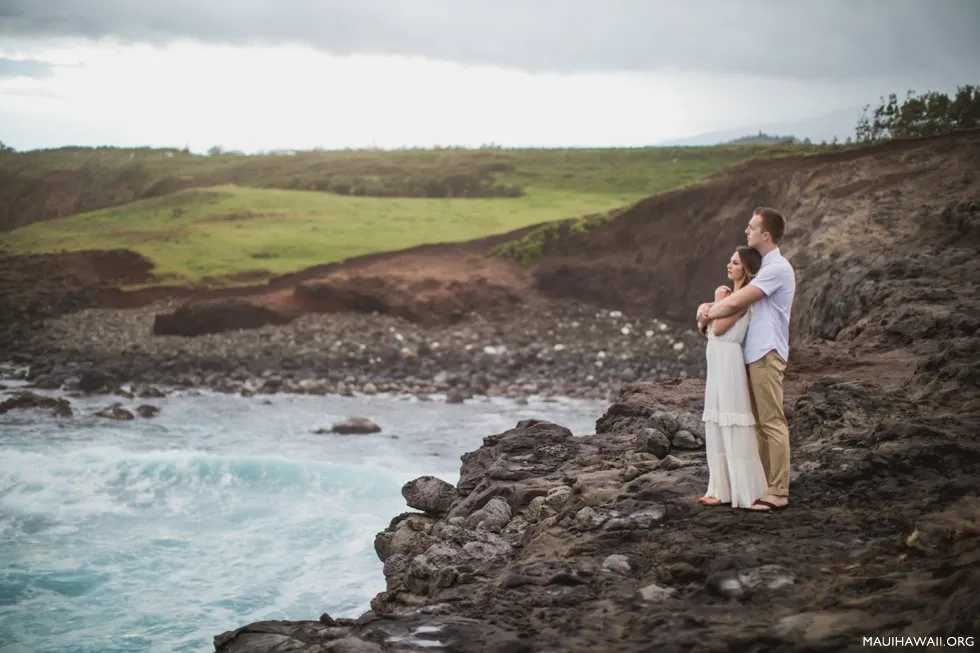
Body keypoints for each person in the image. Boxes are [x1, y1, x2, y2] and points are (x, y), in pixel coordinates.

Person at [697, 207, 796, 512]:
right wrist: (710, 309)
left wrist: (707, 311)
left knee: (770, 422)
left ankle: (778, 491)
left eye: (752, 227)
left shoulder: (776, 268)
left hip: (766, 353)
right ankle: (760, 485)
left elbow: (739, 301)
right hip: (750, 354)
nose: (747, 231)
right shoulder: (761, 266)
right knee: (755, 424)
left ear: (766, 234)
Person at [697, 246, 768, 509]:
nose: (729, 265)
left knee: (731, 419)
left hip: (729, 362)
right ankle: (720, 488)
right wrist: (707, 312)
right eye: (729, 260)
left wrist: (712, 304)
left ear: (746, 269)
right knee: (715, 420)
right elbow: (702, 327)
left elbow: (717, 326)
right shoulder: (730, 298)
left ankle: (744, 489)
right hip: (716, 361)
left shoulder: (740, 299)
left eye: (735, 262)